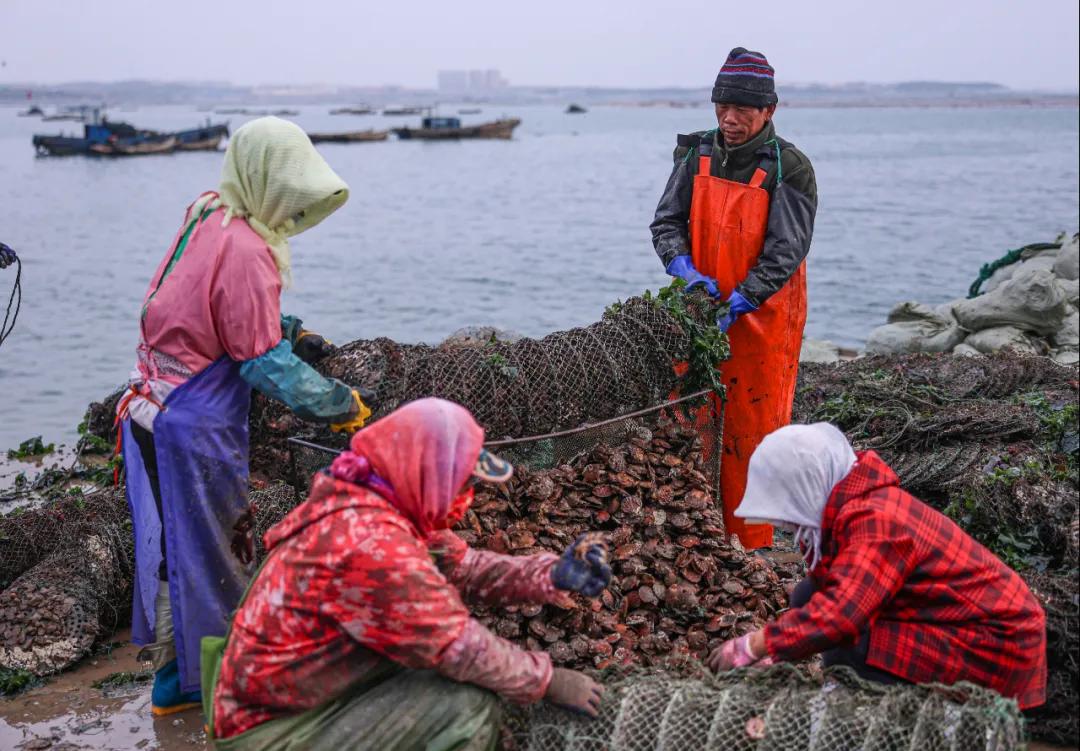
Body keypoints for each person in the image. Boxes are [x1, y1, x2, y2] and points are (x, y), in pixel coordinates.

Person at [118, 117, 372, 716]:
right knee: (211, 556)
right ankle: (205, 687)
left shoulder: (210, 211)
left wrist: (287, 330)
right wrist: (340, 403)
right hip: (189, 423)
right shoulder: (249, 250)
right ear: (268, 182)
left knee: (174, 552)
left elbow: (200, 304)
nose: (292, 212)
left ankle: (178, 681)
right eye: (290, 196)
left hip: (149, 406)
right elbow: (261, 364)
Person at [202, 398, 611, 750]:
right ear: (429, 471)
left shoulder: (371, 494)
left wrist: (550, 574)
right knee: (466, 709)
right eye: (463, 482)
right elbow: (459, 647)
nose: (467, 496)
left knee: (442, 676)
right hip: (269, 727)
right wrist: (549, 680)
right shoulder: (371, 543)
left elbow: (466, 568)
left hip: (312, 689)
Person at [708, 423, 1047, 710]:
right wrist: (783, 649)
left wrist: (756, 645)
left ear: (810, 482)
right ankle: (852, 687)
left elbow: (841, 614)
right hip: (951, 619)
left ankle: (875, 706)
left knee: (858, 642)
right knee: (809, 595)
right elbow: (829, 592)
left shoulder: (876, 521)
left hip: (996, 641)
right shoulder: (851, 502)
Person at [650, 47, 817, 549]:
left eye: (743, 110)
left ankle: (754, 543)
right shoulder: (697, 153)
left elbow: (787, 250)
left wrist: (743, 300)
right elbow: (665, 223)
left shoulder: (791, 168)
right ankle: (699, 530)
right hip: (701, 315)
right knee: (694, 420)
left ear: (770, 111)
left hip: (763, 320)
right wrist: (683, 269)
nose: (730, 119)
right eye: (722, 107)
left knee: (754, 430)